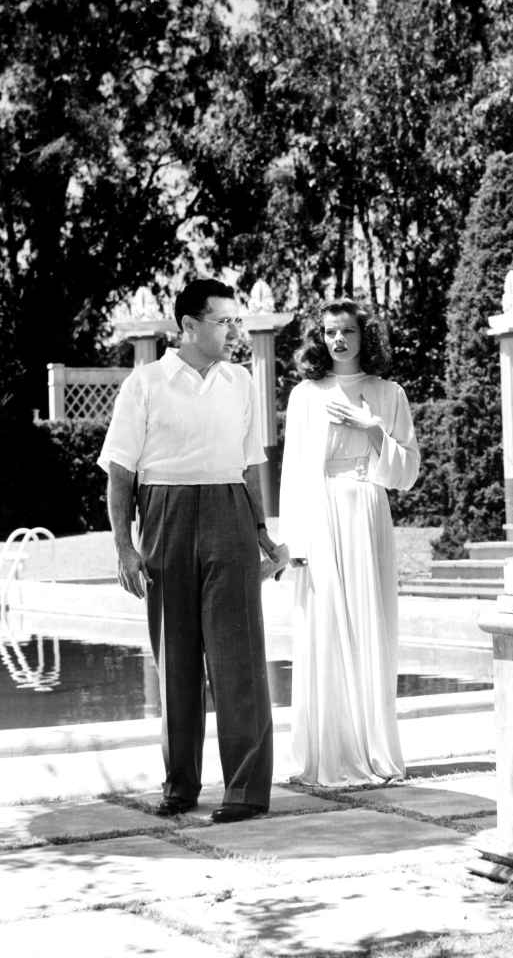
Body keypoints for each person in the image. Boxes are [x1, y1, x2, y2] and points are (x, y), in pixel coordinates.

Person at [98, 278, 288, 822]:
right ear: (189, 325)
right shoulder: (145, 383)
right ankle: (180, 786)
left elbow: (252, 465)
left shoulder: (242, 383)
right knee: (175, 658)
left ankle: (247, 791)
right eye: (225, 320)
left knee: (240, 658)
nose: (236, 330)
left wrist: (261, 532)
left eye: (237, 320)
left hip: (229, 513)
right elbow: (119, 473)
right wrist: (124, 549)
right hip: (165, 516)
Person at [279, 299, 420, 786]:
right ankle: (326, 751)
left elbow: (407, 473)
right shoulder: (304, 395)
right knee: (323, 630)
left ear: (365, 337)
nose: (338, 340)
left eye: (348, 332)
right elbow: (294, 472)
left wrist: (373, 429)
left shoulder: (388, 394)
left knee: (369, 626)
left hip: (367, 510)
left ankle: (373, 750)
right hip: (320, 516)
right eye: (330, 332)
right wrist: (292, 543)